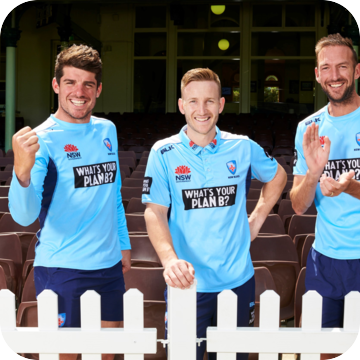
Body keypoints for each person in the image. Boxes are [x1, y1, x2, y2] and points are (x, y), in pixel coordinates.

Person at [142, 68, 287, 360]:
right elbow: (154, 212)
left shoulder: (242, 146)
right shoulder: (162, 152)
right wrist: (169, 260)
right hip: (187, 284)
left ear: (221, 105)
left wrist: (257, 219)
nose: (202, 109)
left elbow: (278, 176)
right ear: (182, 106)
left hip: (236, 281)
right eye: (193, 101)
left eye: (209, 101)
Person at [9, 44, 131, 360]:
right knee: (66, 356)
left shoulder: (108, 129)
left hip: (108, 266)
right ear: (56, 85)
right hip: (62, 267)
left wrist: (124, 244)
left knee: (108, 354)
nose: (79, 91)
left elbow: (113, 193)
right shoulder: (41, 140)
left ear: (99, 89)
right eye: (70, 82)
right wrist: (21, 173)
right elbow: (23, 217)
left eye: (88, 84)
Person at [290, 33, 360, 360]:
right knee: (323, 352)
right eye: (326, 68)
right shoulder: (309, 128)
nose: (335, 76)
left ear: (357, 70)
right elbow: (299, 205)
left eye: (342, 66)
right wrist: (315, 173)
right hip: (326, 260)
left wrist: (350, 187)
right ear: (317, 74)